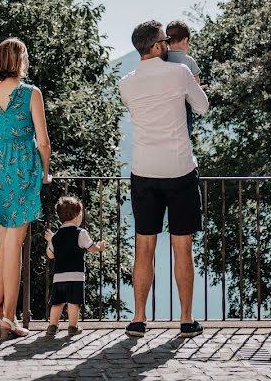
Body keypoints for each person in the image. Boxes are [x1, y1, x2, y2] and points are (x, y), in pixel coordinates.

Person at [118, 20, 209, 338]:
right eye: (165, 40)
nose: (169, 44)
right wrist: (191, 87)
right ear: (156, 46)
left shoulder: (125, 83)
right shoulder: (180, 73)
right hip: (180, 169)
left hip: (143, 171)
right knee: (182, 246)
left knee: (143, 246)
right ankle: (186, 319)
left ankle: (139, 319)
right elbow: (202, 107)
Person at [0, 37, 52, 340]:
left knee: (3, 244)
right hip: (24, 167)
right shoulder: (31, 93)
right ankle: (9, 316)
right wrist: (45, 172)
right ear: (19, 60)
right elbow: (43, 141)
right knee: (15, 244)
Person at [44, 196, 107, 337]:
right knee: (74, 301)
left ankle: (52, 326)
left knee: (57, 302)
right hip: (76, 275)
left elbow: (50, 255)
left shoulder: (56, 236)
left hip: (59, 276)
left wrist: (49, 241)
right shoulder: (81, 233)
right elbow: (91, 248)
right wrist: (100, 247)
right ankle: (73, 327)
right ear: (78, 215)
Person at [165, 20, 204, 135]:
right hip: (183, 107)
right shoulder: (189, 61)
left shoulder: (162, 59)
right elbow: (196, 85)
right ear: (185, 40)